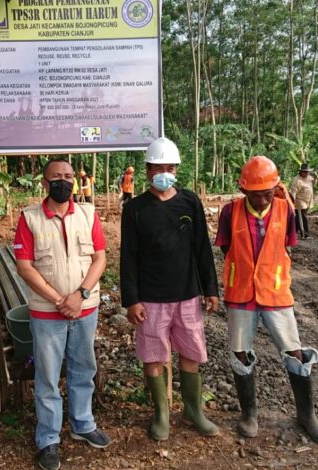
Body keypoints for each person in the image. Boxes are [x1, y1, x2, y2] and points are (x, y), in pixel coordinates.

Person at [215, 156, 318, 444]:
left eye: (268, 192)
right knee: (240, 352)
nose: (263, 198)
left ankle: (306, 415)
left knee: (294, 351)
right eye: (256, 193)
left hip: (276, 293)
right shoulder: (230, 212)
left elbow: (288, 246)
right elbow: (226, 247)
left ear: (276, 188)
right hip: (241, 292)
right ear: (244, 191)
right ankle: (249, 414)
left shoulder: (285, 210)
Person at [121, 137, 220, 441]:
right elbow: (129, 257)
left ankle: (193, 410)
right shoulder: (135, 209)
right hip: (151, 299)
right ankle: (161, 415)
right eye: (157, 167)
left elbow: (202, 248)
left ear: (177, 168)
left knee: (191, 351)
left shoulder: (190, 202)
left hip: (187, 294)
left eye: (169, 166)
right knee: (153, 356)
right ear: (148, 170)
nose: (164, 172)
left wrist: (211, 288)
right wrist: (132, 300)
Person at [14, 158, 111, 470]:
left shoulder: (88, 212)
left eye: (68, 176)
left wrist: (79, 295)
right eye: (56, 176)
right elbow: (25, 267)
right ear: (44, 183)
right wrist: (60, 300)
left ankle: (83, 424)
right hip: (47, 312)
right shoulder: (29, 218)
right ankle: (48, 439)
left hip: (85, 307)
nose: (63, 181)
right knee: (47, 376)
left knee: (84, 368)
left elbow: (100, 258)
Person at [289, 163, 318, 239]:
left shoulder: (309, 178)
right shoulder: (297, 180)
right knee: (303, 218)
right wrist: (292, 203)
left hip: (307, 201)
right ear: (301, 172)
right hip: (300, 202)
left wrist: (316, 178)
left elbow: (313, 184)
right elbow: (293, 192)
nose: (307, 173)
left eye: (308, 172)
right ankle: (304, 234)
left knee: (298, 219)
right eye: (305, 172)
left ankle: (292, 232)